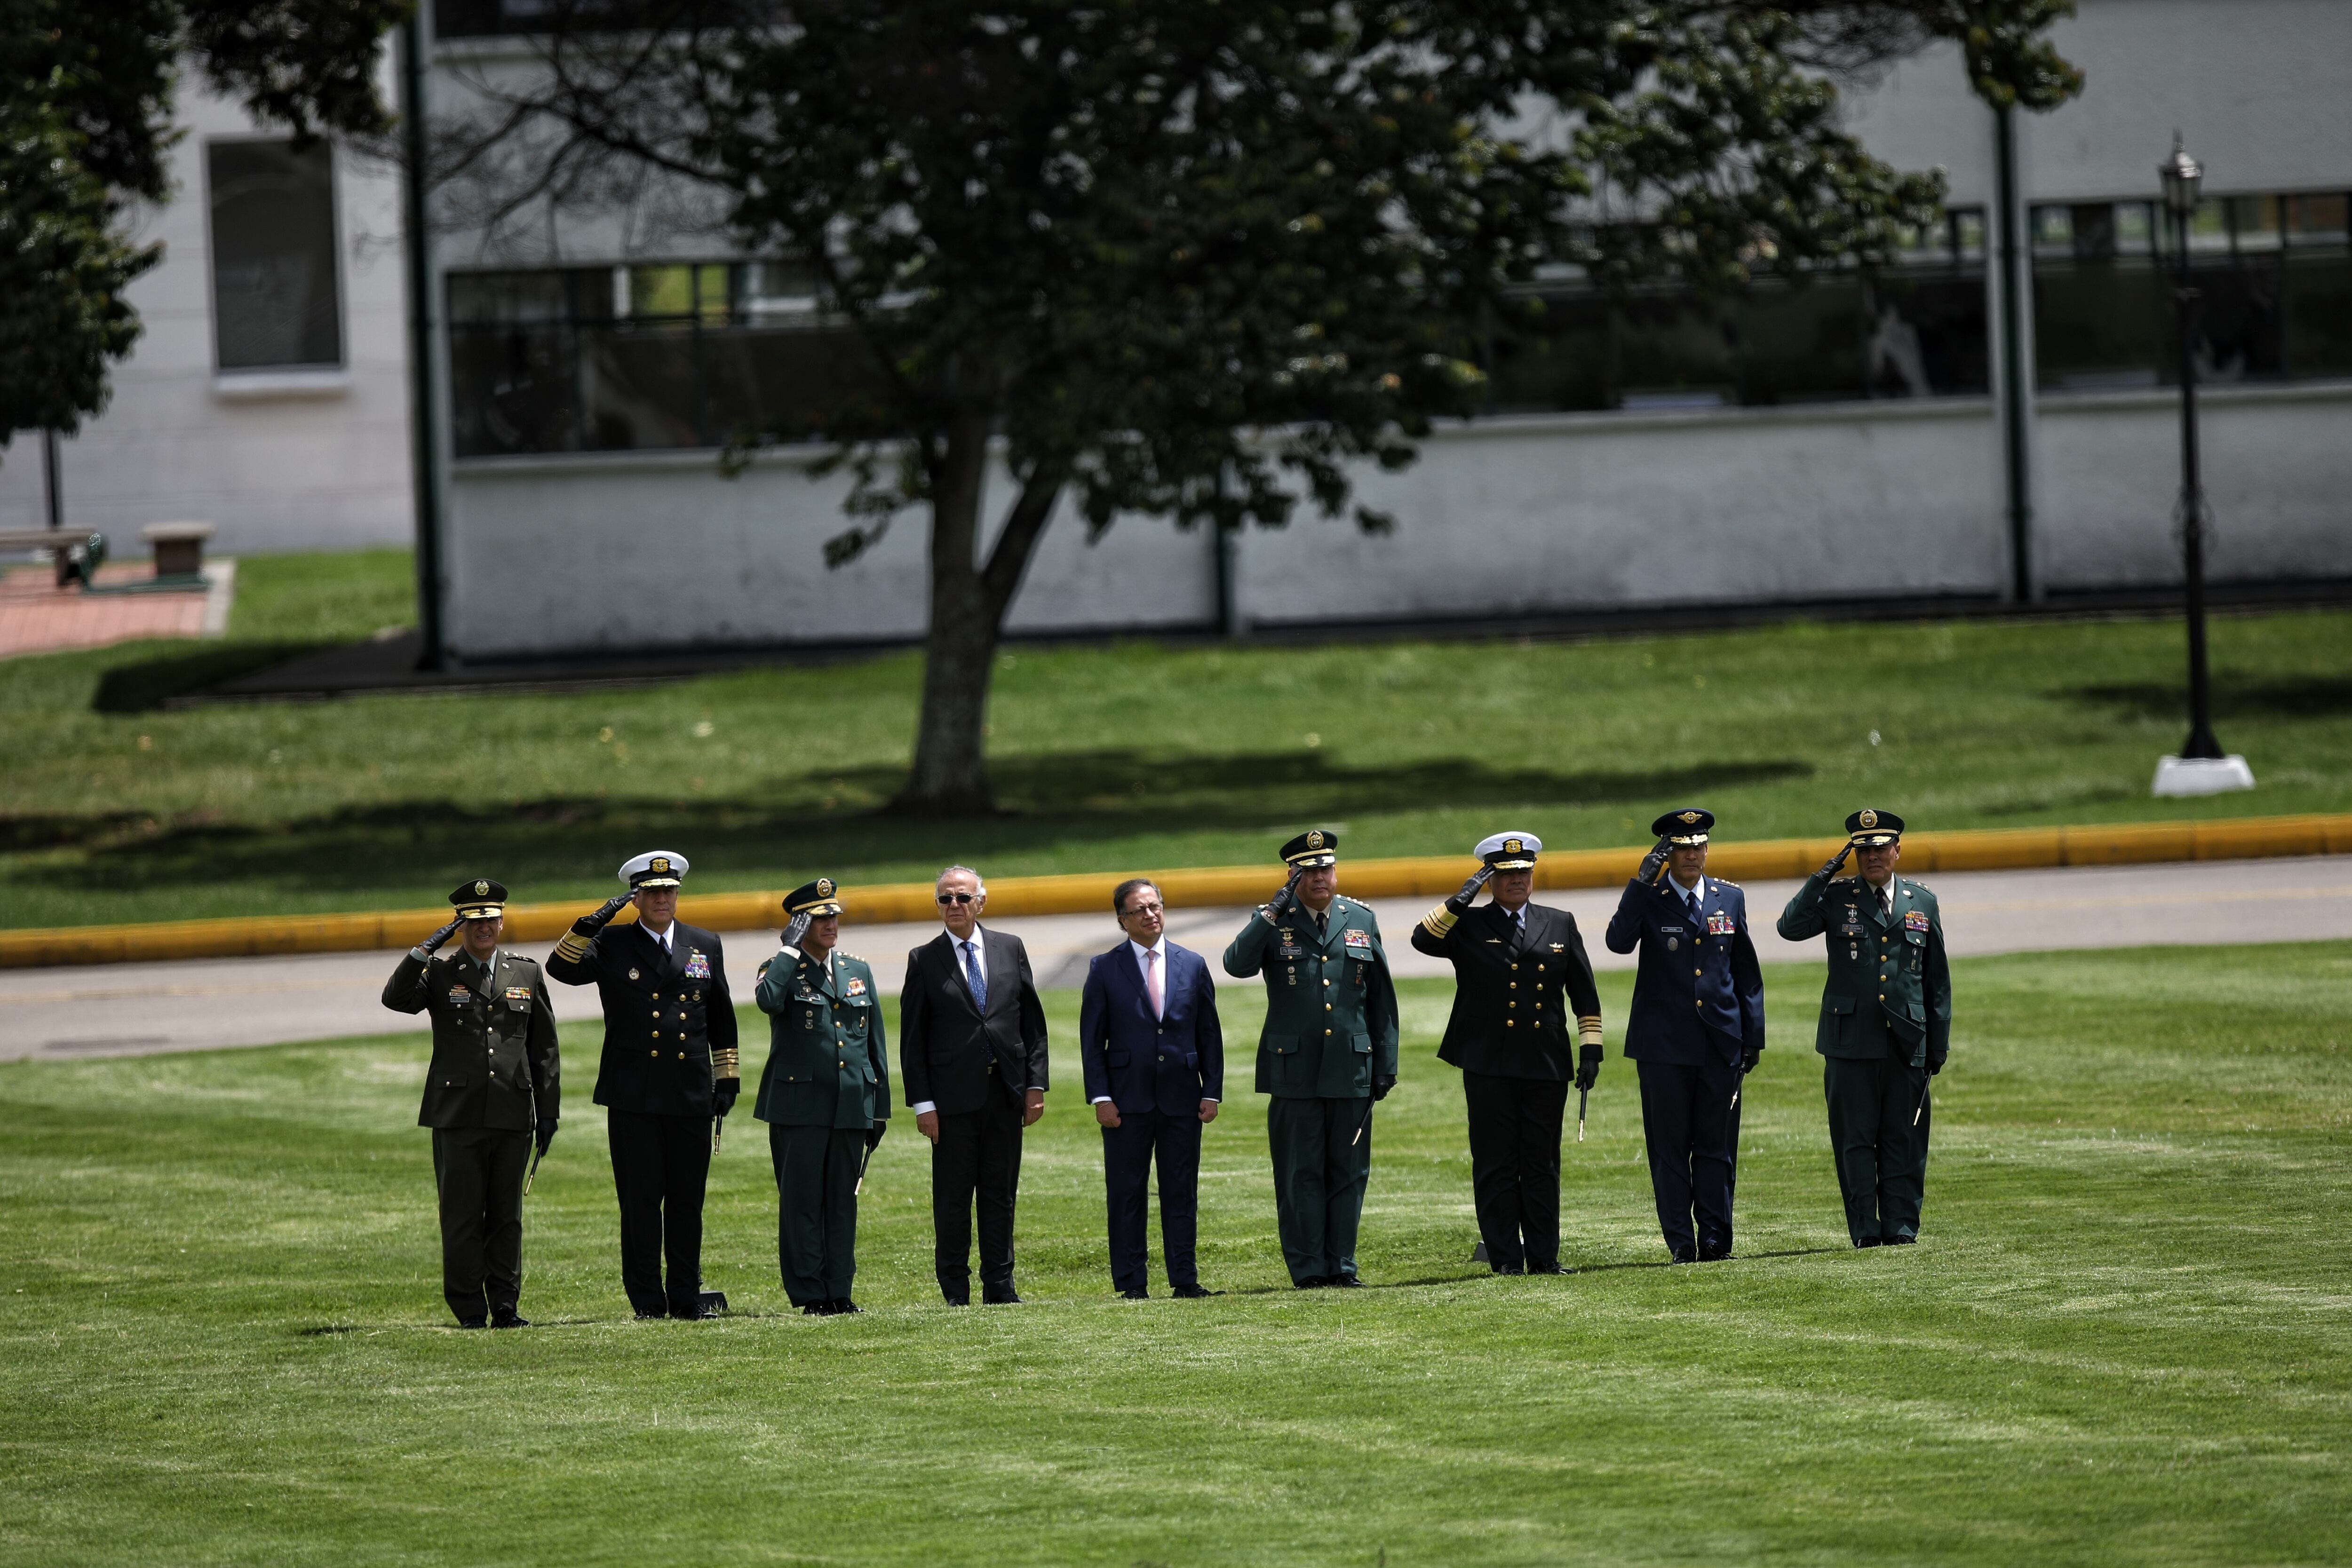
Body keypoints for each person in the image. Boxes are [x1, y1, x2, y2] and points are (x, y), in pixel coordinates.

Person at [546, 850, 739, 1319]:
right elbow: (560, 968)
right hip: (634, 1094)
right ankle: (648, 1300)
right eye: (651, 892)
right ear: (635, 898)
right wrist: (588, 923)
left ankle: (685, 1296)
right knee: (639, 1202)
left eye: (669, 890)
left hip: (690, 1092)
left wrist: (726, 1077)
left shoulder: (703, 943)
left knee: (686, 1201)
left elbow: (720, 1016)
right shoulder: (612, 943)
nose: (662, 899)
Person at [1411, 832, 1603, 1275]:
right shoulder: (1471, 925)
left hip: (1546, 1062)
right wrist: (1460, 899)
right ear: (1489, 879)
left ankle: (1543, 1256)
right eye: (1506, 873)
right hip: (1488, 1062)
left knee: (1542, 1163)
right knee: (1496, 1162)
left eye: (1524, 872)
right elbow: (1423, 939)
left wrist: (1590, 1050)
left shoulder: (1560, 921)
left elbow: (1584, 993)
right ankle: (1504, 1259)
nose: (1518, 880)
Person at [1223, 829, 1399, 1289]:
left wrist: (1386, 1062)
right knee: (1299, 1174)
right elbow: (1235, 964)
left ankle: (1340, 1265)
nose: (1320, 877)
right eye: (1309, 869)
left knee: (1349, 1172)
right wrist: (1268, 913)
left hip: (1350, 1067)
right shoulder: (1272, 921)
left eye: (1326, 868)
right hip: (1294, 1071)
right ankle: (1307, 1268)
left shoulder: (1360, 917)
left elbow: (1380, 998)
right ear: (1292, 876)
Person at [381, 879, 559, 1327]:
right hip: (457, 1114)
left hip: (512, 1111)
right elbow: (395, 998)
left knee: (506, 1217)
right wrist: (426, 948)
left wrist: (549, 1111)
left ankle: (505, 1306)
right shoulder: (441, 973)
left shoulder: (526, 971)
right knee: (462, 1217)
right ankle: (468, 1309)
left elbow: (544, 1049)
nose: (485, 927)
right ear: (461, 925)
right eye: (475, 920)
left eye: (492, 918)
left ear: (502, 920)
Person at [1776, 809, 1949, 1248]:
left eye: (1880, 848)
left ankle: (1902, 1227)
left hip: (1906, 1040)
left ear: (1897, 850)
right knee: (1855, 1142)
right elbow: (1789, 928)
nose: (1873, 856)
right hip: (1850, 1041)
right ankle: (1865, 1230)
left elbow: (1936, 979)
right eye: (1863, 849)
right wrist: (1821, 877)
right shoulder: (1836, 898)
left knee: (1904, 1139)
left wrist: (1938, 1043)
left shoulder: (1921, 901)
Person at [1606, 809, 1766, 1263]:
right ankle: (1681, 1242)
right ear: (1667, 853)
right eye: (1683, 847)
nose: (1693, 855)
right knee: (1671, 1150)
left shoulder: (1728, 898)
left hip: (1719, 1043)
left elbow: (1745, 972)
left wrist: (1751, 1036)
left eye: (1699, 846)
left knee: (1716, 1148)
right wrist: (1639, 884)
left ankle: (1716, 1239)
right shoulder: (1651, 898)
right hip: (1663, 1047)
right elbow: (1618, 941)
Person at [900, 865, 1050, 1305]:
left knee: (1000, 1195)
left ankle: (1001, 1287)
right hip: (950, 1101)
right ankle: (955, 1291)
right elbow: (913, 1041)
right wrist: (923, 1105)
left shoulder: (1010, 948)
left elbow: (1032, 1024)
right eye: (945, 899)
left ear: (980, 902)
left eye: (962, 898)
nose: (954, 906)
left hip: (1004, 1092)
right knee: (952, 1200)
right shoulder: (924, 959)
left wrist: (1035, 1085)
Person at [1078, 878, 1225, 1299]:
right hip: (1127, 1100)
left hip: (1182, 1096)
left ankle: (1185, 1279)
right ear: (1122, 920)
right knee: (1127, 1193)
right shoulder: (1104, 968)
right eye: (1139, 910)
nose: (1150, 914)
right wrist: (1101, 1097)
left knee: (1181, 1190)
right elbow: (1093, 1040)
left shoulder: (1192, 964)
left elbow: (1209, 1033)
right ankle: (1132, 1283)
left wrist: (1211, 1090)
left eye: (1155, 906)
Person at [754, 878, 888, 1316]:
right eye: (819, 917)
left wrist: (878, 1107)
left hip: (851, 1105)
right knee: (802, 1202)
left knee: (841, 1202)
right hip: (800, 1107)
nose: (831, 924)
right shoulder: (780, 967)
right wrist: (789, 951)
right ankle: (811, 1293)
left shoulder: (856, 970)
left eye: (834, 915)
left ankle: (840, 1290)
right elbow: (768, 1000)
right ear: (798, 923)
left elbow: (874, 1043)